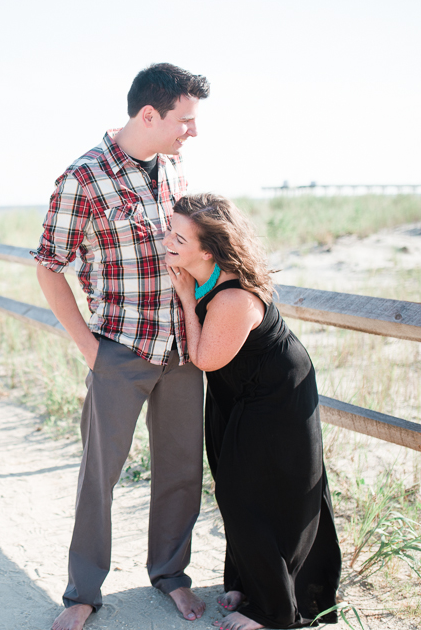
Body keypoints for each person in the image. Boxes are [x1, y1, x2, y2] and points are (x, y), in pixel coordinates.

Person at [32, 63, 211, 630]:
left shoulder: (176, 167)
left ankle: (171, 576)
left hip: (182, 350)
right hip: (119, 348)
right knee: (100, 474)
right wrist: (89, 347)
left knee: (180, 469)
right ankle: (83, 592)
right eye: (186, 120)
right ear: (149, 114)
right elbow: (48, 267)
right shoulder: (82, 178)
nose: (193, 132)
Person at [164, 193, 342, 629]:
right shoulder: (199, 271)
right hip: (237, 391)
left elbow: (204, 358)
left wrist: (187, 301)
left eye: (177, 236)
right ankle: (249, 582)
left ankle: (272, 611)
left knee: (251, 494)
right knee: (234, 486)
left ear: (207, 251)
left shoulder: (232, 297)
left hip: (276, 394)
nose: (166, 239)